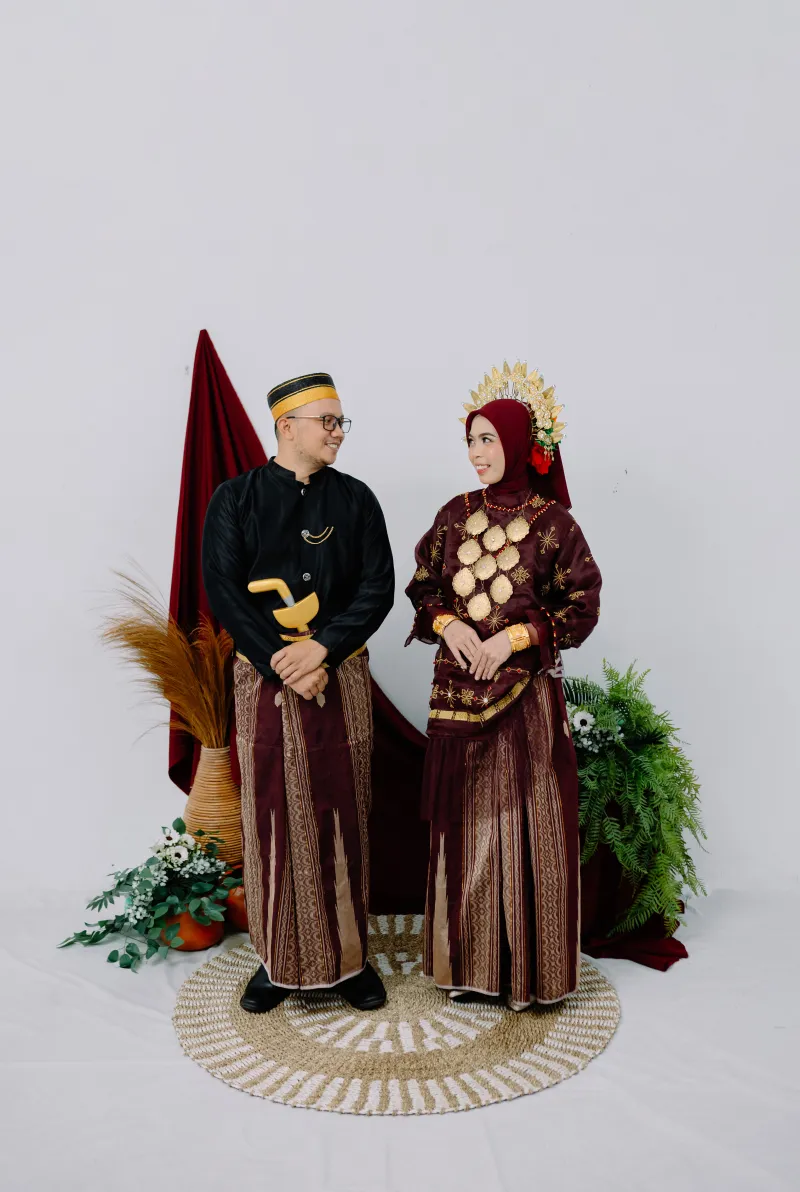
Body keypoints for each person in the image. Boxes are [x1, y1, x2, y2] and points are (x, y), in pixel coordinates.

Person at [405, 362, 601, 1009]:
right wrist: (448, 624)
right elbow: (424, 586)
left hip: (525, 707)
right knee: (467, 832)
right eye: (471, 440)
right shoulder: (454, 515)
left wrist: (513, 638)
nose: (477, 453)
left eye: (488, 439)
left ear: (519, 444)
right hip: (459, 702)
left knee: (526, 830)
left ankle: (527, 975)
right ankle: (471, 967)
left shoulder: (554, 525)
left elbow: (581, 607)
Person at [202, 372, 394, 1012]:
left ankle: (349, 961)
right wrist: (285, 662)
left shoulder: (357, 500)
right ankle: (277, 960)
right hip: (266, 681)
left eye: (341, 422)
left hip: (340, 676)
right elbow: (224, 591)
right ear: (287, 427)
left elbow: (377, 587)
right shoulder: (235, 499)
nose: (338, 433)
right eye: (327, 422)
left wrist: (323, 648)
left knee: (346, 812)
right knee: (271, 815)